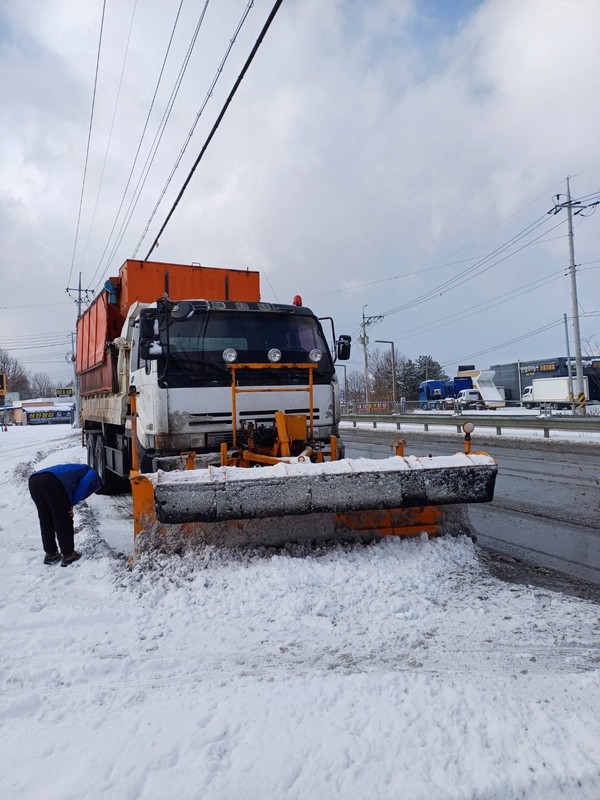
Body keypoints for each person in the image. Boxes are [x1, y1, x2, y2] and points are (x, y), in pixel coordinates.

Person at [28, 463, 102, 567]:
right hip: (51, 482)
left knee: (46, 518)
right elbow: (80, 491)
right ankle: (69, 555)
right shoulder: (92, 474)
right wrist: (69, 506)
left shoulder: (79, 469)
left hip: (34, 481)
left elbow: (68, 488)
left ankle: (51, 554)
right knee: (63, 518)